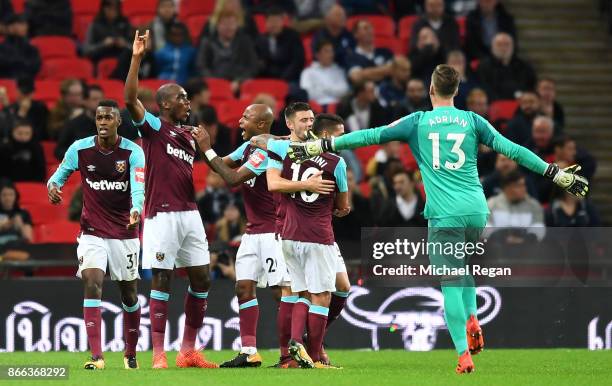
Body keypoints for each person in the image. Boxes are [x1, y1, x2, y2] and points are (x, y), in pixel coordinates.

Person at [286, 64, 589, 373]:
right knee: (465, 267)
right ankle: (473, 317)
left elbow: (371, 135)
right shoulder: (473, 120)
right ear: (456, 91)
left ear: (431, 90)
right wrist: (553, 172)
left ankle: (462, 355)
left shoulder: (418, 122)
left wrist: (323, 144)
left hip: (444, 215)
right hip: (477, 211)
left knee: (450, 282)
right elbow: (512, 150)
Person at [192, 104, 325, 368]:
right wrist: (200, 147)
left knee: (281, 292)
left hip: (274, 232)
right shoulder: (249, 148)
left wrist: (207, 146)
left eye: (245, 118)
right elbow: (220, 166)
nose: (239, 121)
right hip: (252, 233)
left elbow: (231, 178)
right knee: (243, 287)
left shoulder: (267, 152)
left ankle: (289, 355)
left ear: (261, 124)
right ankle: (249, 351)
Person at [125, 30, 218, 369]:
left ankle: (188, 350)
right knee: (162, 278)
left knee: (202, 279)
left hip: (190, 213)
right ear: (164, 104)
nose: (187, 102)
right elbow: (129, 99)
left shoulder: (190, 137)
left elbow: (222, 168)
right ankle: (159, 353)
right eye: (181, 98)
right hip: (161, 215)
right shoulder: (152, 127)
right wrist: (137, 58)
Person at [47, 99, 145, 370]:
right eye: (99, 117)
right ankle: (97, 356)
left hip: (125, 232)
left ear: (118, 122)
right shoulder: (80, 148)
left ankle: (130, 352)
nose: (103, 122)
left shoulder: (133, 152)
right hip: (92, 231)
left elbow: (138, 187)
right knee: (92, 281)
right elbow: (59, 175)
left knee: (129, 295)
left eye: (108, 118)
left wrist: (136, 209)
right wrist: (53, 186)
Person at [250, 104, 350, 369]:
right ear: (290, 124)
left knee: (297, 292)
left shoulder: (282, 153)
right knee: (319, 295)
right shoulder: (335, 162)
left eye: (310, 119)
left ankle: (294, 348)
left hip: (289, 234)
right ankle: (313, 357)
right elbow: (343, 205)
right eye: (304, 119)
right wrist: (309, 185)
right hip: (316, 235)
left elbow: (272, 180)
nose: (308, 123)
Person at [197, 10, 259, 94]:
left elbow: (252, 66)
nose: (229, 27)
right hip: (214, 85)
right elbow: (202, 66)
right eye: (225, 24)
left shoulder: (245, 42)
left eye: (232, 24)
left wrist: (239, 81)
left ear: (237, 25)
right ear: (217, 25)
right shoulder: (207, 42)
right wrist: (216, 83)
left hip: (240, 85)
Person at [477, 32, 536, 100]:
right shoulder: (484, 66)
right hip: (494, 105)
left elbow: (530, 86)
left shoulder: (524, 66)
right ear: (492, 46)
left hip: (520, 103)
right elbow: (483, 88)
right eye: (499, 44)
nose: (503, 48)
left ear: (513, 46)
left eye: (507, 44)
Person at [55, 85, 105, 160]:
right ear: (84, 101)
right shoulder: (73, 124)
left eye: (102, 99)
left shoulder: (114, 123)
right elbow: (59, 150)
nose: (100, 102)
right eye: (95, 99)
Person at [255, 7, 305, 82]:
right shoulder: (260, 40)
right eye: (271, 21)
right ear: (266, 23)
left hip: (289, 79)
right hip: (267, 80)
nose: (273, 25)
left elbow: (297, 62)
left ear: (282, 22)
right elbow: (257, 61)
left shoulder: (293, 36)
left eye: (276, 21)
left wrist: (282, 80)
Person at [299, 39, 350, 106]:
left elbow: (344, 91)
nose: (330, 55)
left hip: (337, 108)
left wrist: (323, 88)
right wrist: (334, 91)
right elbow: (308, 94)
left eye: (331, 51)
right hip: (316, 109)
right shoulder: (307, 72)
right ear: (317, 54)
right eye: (326, 51)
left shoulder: (339, 71)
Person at [345, 19, 393, 84]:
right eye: (365, 28)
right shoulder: (351, 56)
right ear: (356, 34)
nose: (370, 31)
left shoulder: (385, 52)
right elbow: (356, 78)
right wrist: (384, 70)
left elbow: (395, 71)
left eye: (371, 28)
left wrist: (364, 73)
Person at [3, 77, 48, 142]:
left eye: (29, 93)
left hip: (34, 142)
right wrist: (21, 114)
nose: (26, 96)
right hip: (13, 143)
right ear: (17, 92)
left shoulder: (40, 107)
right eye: (23, 92)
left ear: (33, 93)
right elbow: (8, 131)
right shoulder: (12, 108)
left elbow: (43, 131)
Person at [0, 14, 41, 80]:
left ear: (27, 27)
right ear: (7, 28)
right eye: (12, 24)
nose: (16, 27)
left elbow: (35, 68)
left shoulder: (33, 50)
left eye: (21, 24)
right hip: (4, 82)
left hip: (26, 83)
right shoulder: (1, 48)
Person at [0, 183, 33, 259]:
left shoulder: (23, 213)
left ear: (15, 196)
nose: (7, 198)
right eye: (4, 195)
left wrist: (20, 225)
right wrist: (6, 225)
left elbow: (28, 238)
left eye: (11, 195)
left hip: (16, 246)